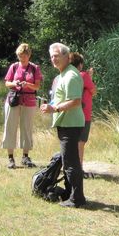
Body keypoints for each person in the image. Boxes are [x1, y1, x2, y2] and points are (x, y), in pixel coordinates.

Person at [40, 43, 86, 208]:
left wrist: (55, 109)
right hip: (66, 123)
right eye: (52, 56)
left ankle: (77, 199)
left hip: (71, 124)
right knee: (68, 161)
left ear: (67, 57)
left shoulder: (71, 76)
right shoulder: (63, 75)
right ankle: (69, 193)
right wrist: (51, 106)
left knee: (71, 162)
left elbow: (75, 101)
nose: (54, 59)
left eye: (57, 56)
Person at [2, 43, 43, 169]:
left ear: (29, 55)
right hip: (13, 100)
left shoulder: (35, 68)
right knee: (10, 127)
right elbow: (7, 83)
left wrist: (27, 84)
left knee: (27, 128)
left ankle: (25, 157)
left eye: (24, 56)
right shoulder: (14, 66)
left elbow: (37, 86)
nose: (22, 58)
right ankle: (10, 158)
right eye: (20, 56)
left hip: (29, 101)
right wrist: (14, 83)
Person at [69, 52, 96, 176]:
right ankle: (78, 168)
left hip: (70, 112)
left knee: (72, 141)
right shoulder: (84, 75)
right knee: (81, 142)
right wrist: (89, 77)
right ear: (80, 64)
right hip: (84, 113)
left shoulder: (68, 75)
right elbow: (93, 91)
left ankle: (70, 166)